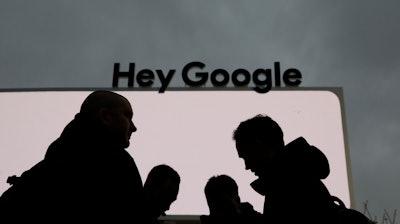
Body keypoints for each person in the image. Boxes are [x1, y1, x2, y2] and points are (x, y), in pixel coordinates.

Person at [0, 90, 144, 223]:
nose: (133, 127)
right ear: (105, 116)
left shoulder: (49, 167)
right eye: (127, 116)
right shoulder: (119, 165)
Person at [232, 114, 372, 224]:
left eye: (245, 156)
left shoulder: (288, 186)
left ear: (258, 145)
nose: (247, 166)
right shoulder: (293, 178)